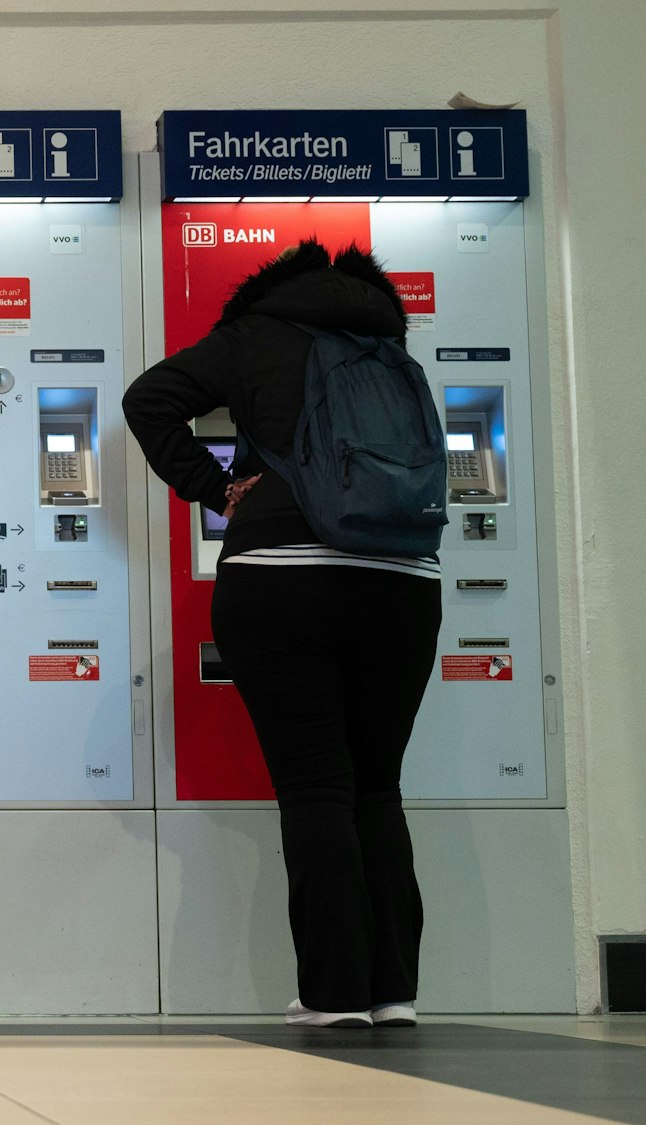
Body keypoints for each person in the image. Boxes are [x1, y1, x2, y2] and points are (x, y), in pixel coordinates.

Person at [124, 239, 441, 1029]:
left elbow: (148, 398)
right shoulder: (389, 348)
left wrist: (217, 489)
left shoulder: (254, 334)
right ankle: (392, 989)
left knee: (315, 789)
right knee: (377, 787)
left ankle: (334, 994)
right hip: (402, 584)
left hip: (281, 577)